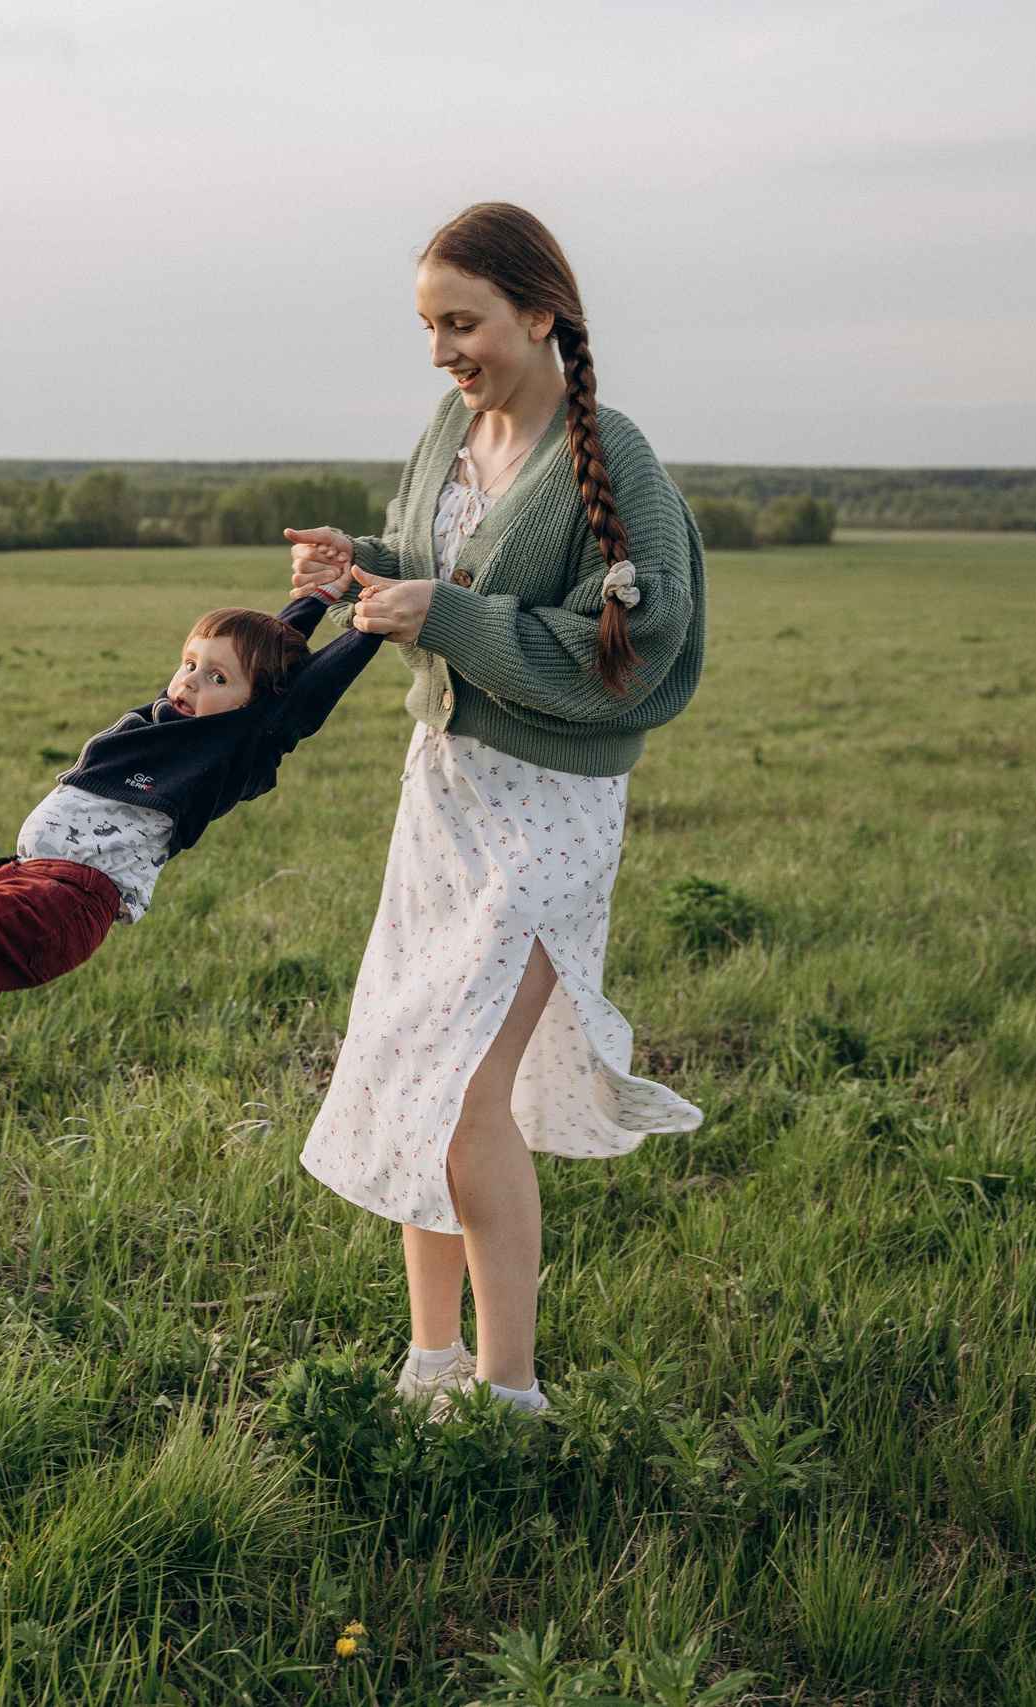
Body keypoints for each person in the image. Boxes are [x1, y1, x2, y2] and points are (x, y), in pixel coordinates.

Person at [288, 202, 708, 1415]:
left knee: (468, 1084)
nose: (440, 351)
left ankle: (507, 1392)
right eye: (427, 326)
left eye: (459, 322)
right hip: (443, 792)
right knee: (414, 1073)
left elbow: (641, 646)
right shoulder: (449, 428)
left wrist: (449, 618)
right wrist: (357, 561)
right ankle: (428, 1366)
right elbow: (437, 565)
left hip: (553, 806)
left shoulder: (613, 457)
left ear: (540, 314)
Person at [0, 584, 379, 1164]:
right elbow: (267, 652)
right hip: (28, 879)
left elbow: (296, 694)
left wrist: (366, 626)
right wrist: (316, 599)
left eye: (216, 679)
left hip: (70, 901)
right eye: (188, 663)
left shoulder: (229, 748)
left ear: (258, 708)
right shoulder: (173, 721)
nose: (190, 682)